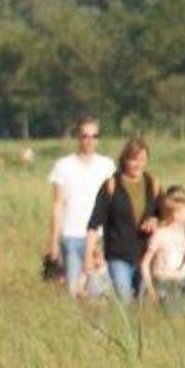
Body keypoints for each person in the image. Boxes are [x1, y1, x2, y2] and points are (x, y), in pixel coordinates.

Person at [45, 118, 115, 296]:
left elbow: (112, 203)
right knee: (72, 291)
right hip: (71, 236)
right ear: (78, 137)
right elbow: (58, 204)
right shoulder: (63, 165)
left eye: (94, 136)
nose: (89, 140)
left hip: (98, 236)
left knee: (97, 291)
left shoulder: (107, 166)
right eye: (85, 136)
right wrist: (53, 241)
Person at [84, 137, 158, 303]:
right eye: (133, 159)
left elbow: (166, 215)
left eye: (142, 160)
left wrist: (155, 220)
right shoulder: (111, 185)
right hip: (118, 254)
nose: (138, 164)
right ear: (124, 160)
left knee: (142, 303)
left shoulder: (152, 184)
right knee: (124, 300)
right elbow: (94, 223)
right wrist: (88, 256)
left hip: (145, 255)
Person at [139, 188, 185, 316]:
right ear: (175, 214)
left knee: (180, 319)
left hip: (181, 282)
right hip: (164, 282)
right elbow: (145, 264)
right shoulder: (160, 235)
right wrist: (150, 287)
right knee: (168, 317)